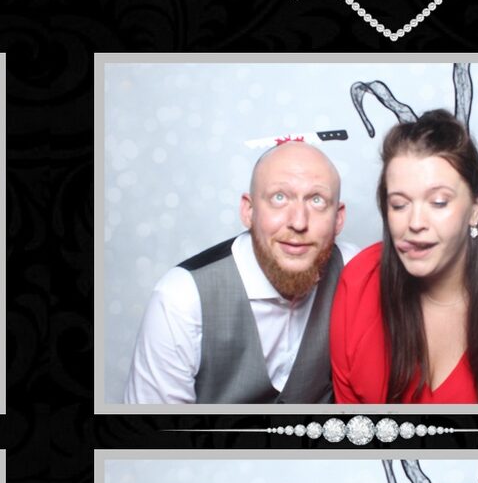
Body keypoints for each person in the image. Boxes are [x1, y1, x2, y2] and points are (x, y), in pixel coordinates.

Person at [330, 110, 478, 405]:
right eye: (399, 205)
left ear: (476, 207)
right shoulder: (359, 281)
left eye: (439, 202)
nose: (415, 223)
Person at [123, 141, 349, 404]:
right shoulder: (181, 299)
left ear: (338, 219)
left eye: (317, 200)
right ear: (248, 211)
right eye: (279, 197)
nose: (298, 222)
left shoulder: (356, 272)